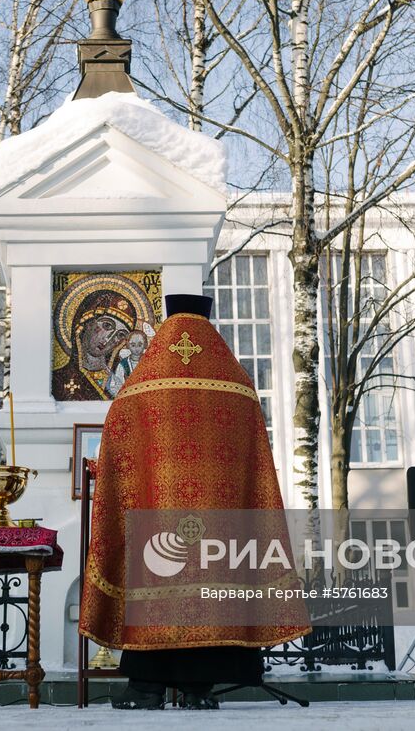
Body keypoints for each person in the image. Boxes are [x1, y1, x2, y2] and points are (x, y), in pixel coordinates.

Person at [79, 293, 308, 709]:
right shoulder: (237, 383)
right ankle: (199, 690)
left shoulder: (141, 383)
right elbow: (255, 460)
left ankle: (146, 688)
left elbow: (117, 438)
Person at [52, 289, 137, 401]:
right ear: (86, 323)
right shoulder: (58, 380)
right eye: (107, 325)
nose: (109, 338)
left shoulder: (120, 382)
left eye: (120, 335)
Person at [104, 328, 148, 397]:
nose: (137, 348)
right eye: (133, 345)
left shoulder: (149, 362)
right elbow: (116, 385)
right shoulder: (123, 364)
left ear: (145, 344)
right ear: (128, 345)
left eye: (140, 345)